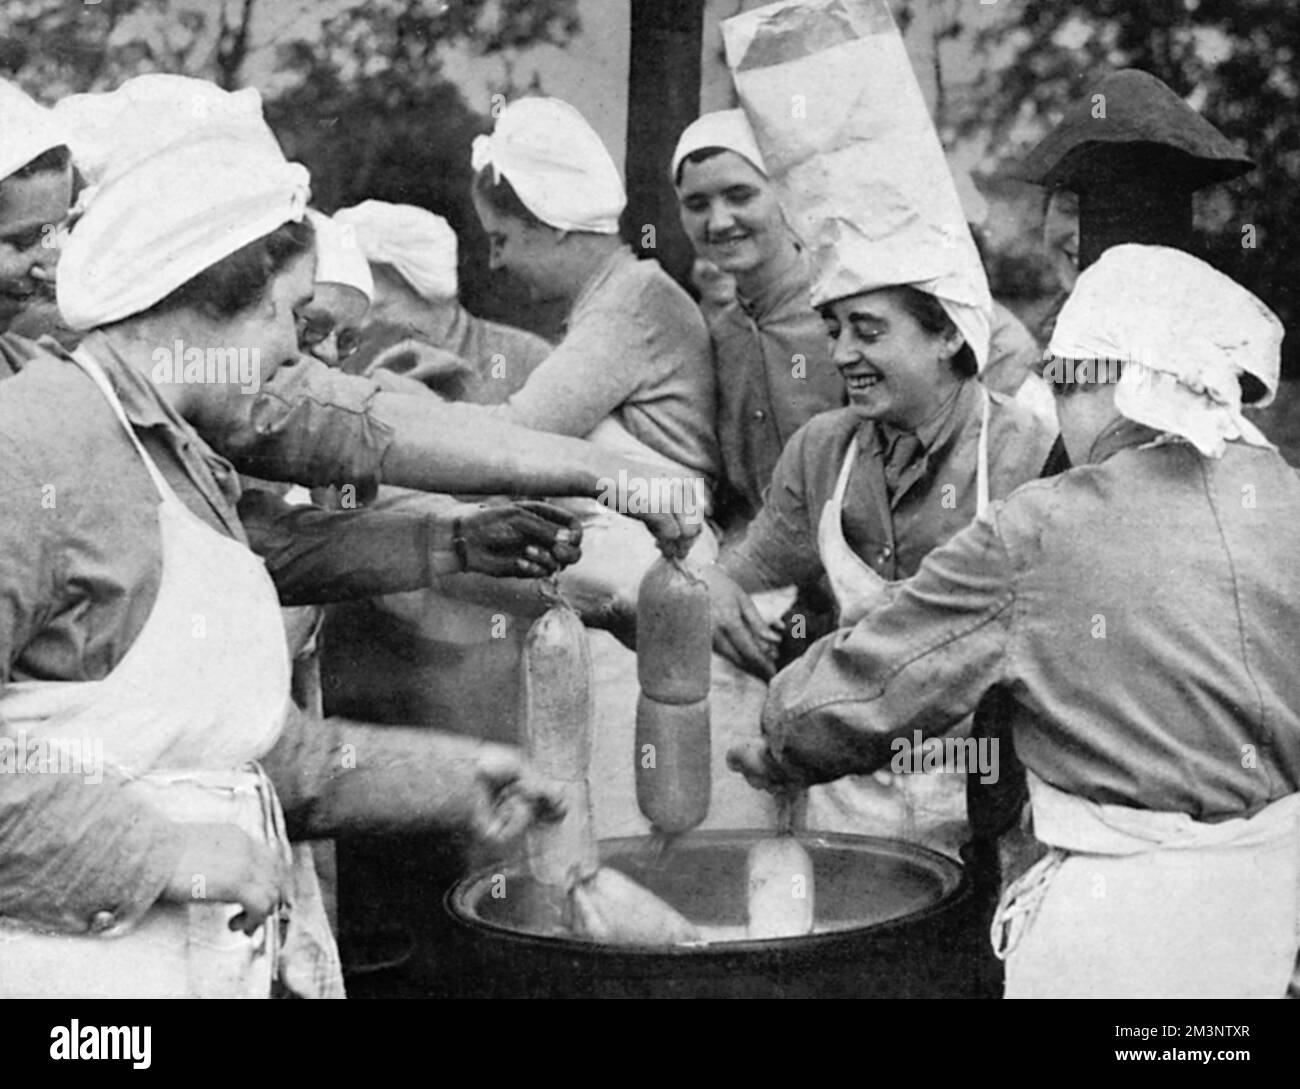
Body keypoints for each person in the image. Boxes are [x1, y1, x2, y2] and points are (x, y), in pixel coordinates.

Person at [0, 94, 582, 999]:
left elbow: (265, 758)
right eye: (289, 315)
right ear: (207, 299)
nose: (291, 355)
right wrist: (162, 853)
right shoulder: (33, 443)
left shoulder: (181, 463)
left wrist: (453, 777)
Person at [731, 244, 1300, 999]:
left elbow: (867, 685)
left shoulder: (1040, 527)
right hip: (1269, 917)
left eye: (1065, 382)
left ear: (1107, 382)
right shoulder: (1286, 498)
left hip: (1121, 932)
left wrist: (780, 734)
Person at [672, 109, 844, 532]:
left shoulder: (844, 311)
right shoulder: (713, 333)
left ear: (783, 193)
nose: (719, 221)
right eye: (697, 205)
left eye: (740, 195)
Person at [332, 199, 553, 403]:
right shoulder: (352, 361)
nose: (363, 324)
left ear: (428, 293)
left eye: (380, 307)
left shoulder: (503, 357)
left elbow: (499, 389)